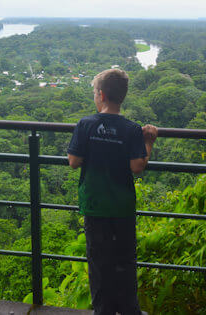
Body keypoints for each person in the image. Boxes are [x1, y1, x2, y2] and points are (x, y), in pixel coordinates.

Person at [67, 68, 157, 315]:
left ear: (102, 95)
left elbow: (74, 161)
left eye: (95, 92)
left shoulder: (86, 124)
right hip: (122, 206)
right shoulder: (131, 129)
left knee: (98, 262)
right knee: (126, 260)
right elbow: (137, 166)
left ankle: (103, 310)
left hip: (95, 205)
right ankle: (129, 310)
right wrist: (148, 141)